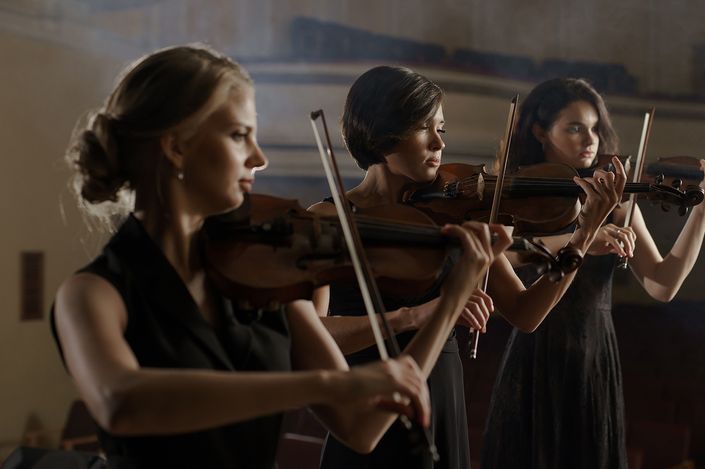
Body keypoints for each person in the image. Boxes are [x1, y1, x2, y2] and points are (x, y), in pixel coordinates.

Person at [50, 44, 507, 469]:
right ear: (176, 146)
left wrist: (448, 304)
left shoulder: (266, 277)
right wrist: (324, 383)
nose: (259, 158)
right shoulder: (91, 293)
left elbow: (362, 427)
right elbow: (123, 402)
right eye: (238, 135)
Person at [308, 66, 626, 468]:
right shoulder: (328, 218)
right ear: (382, 130)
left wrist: (583, 234)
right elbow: (314, 334)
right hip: (365, 398)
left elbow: (527, 314)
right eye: (424, 126)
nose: (439, 142)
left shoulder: (458, 217)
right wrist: (412, 317)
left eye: (441, 128)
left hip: (441, 395)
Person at [481, 77, 705, 469]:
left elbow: (662, 283)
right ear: (539, 132)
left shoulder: (615, 202)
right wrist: (581, 240)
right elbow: (508, 253)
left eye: (596, 129)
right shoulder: (517, 195)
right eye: (575, 127)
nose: (591, 139)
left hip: (594, 353)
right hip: (537, 352)